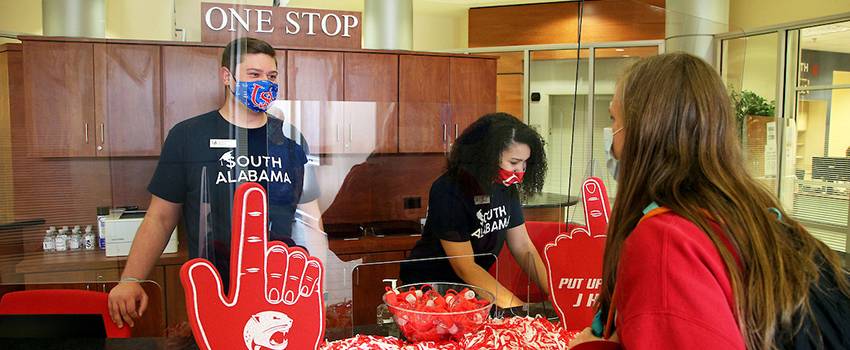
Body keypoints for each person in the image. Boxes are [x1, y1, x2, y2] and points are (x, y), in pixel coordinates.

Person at [569, 53, 850, 349]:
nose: (612, 141)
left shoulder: (667, 240)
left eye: (614, 119)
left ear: (644, 131)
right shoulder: (751, 215)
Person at [107, 37, 322, 329]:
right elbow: (159, 218)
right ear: (227, 77)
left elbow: (311, 221)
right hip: (216, 289)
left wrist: (319, 285)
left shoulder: (290, 139)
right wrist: (131, 279)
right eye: (254, 75)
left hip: (283, 288)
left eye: (271, 76)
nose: (266, 84)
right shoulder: (188, 136)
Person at [399, 113, 550, 309]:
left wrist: (554, 293)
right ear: (487, 156)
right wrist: (517, 309)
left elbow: (523, 247)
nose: (520, 172)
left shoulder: (506, 187)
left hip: (469, 291)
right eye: (513, 163)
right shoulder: (449, 189)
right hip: (429, 290)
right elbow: (465, 267)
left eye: (525, 163)